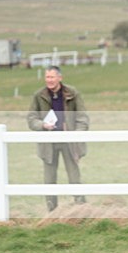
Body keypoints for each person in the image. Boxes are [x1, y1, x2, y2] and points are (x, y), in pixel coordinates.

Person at [27, 65, 89, 211]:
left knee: (74, 177)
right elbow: (31, 118)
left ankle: (82, 210)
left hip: (69, 141)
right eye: (47, 77)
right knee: (49, 179)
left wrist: (77, 133)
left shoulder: (72, 93)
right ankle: (52, 212)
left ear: (60, 78)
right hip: (48, 143)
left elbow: (82, 117)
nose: (49, 80)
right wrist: (42, 125)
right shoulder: (38, 95)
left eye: (52, 77)